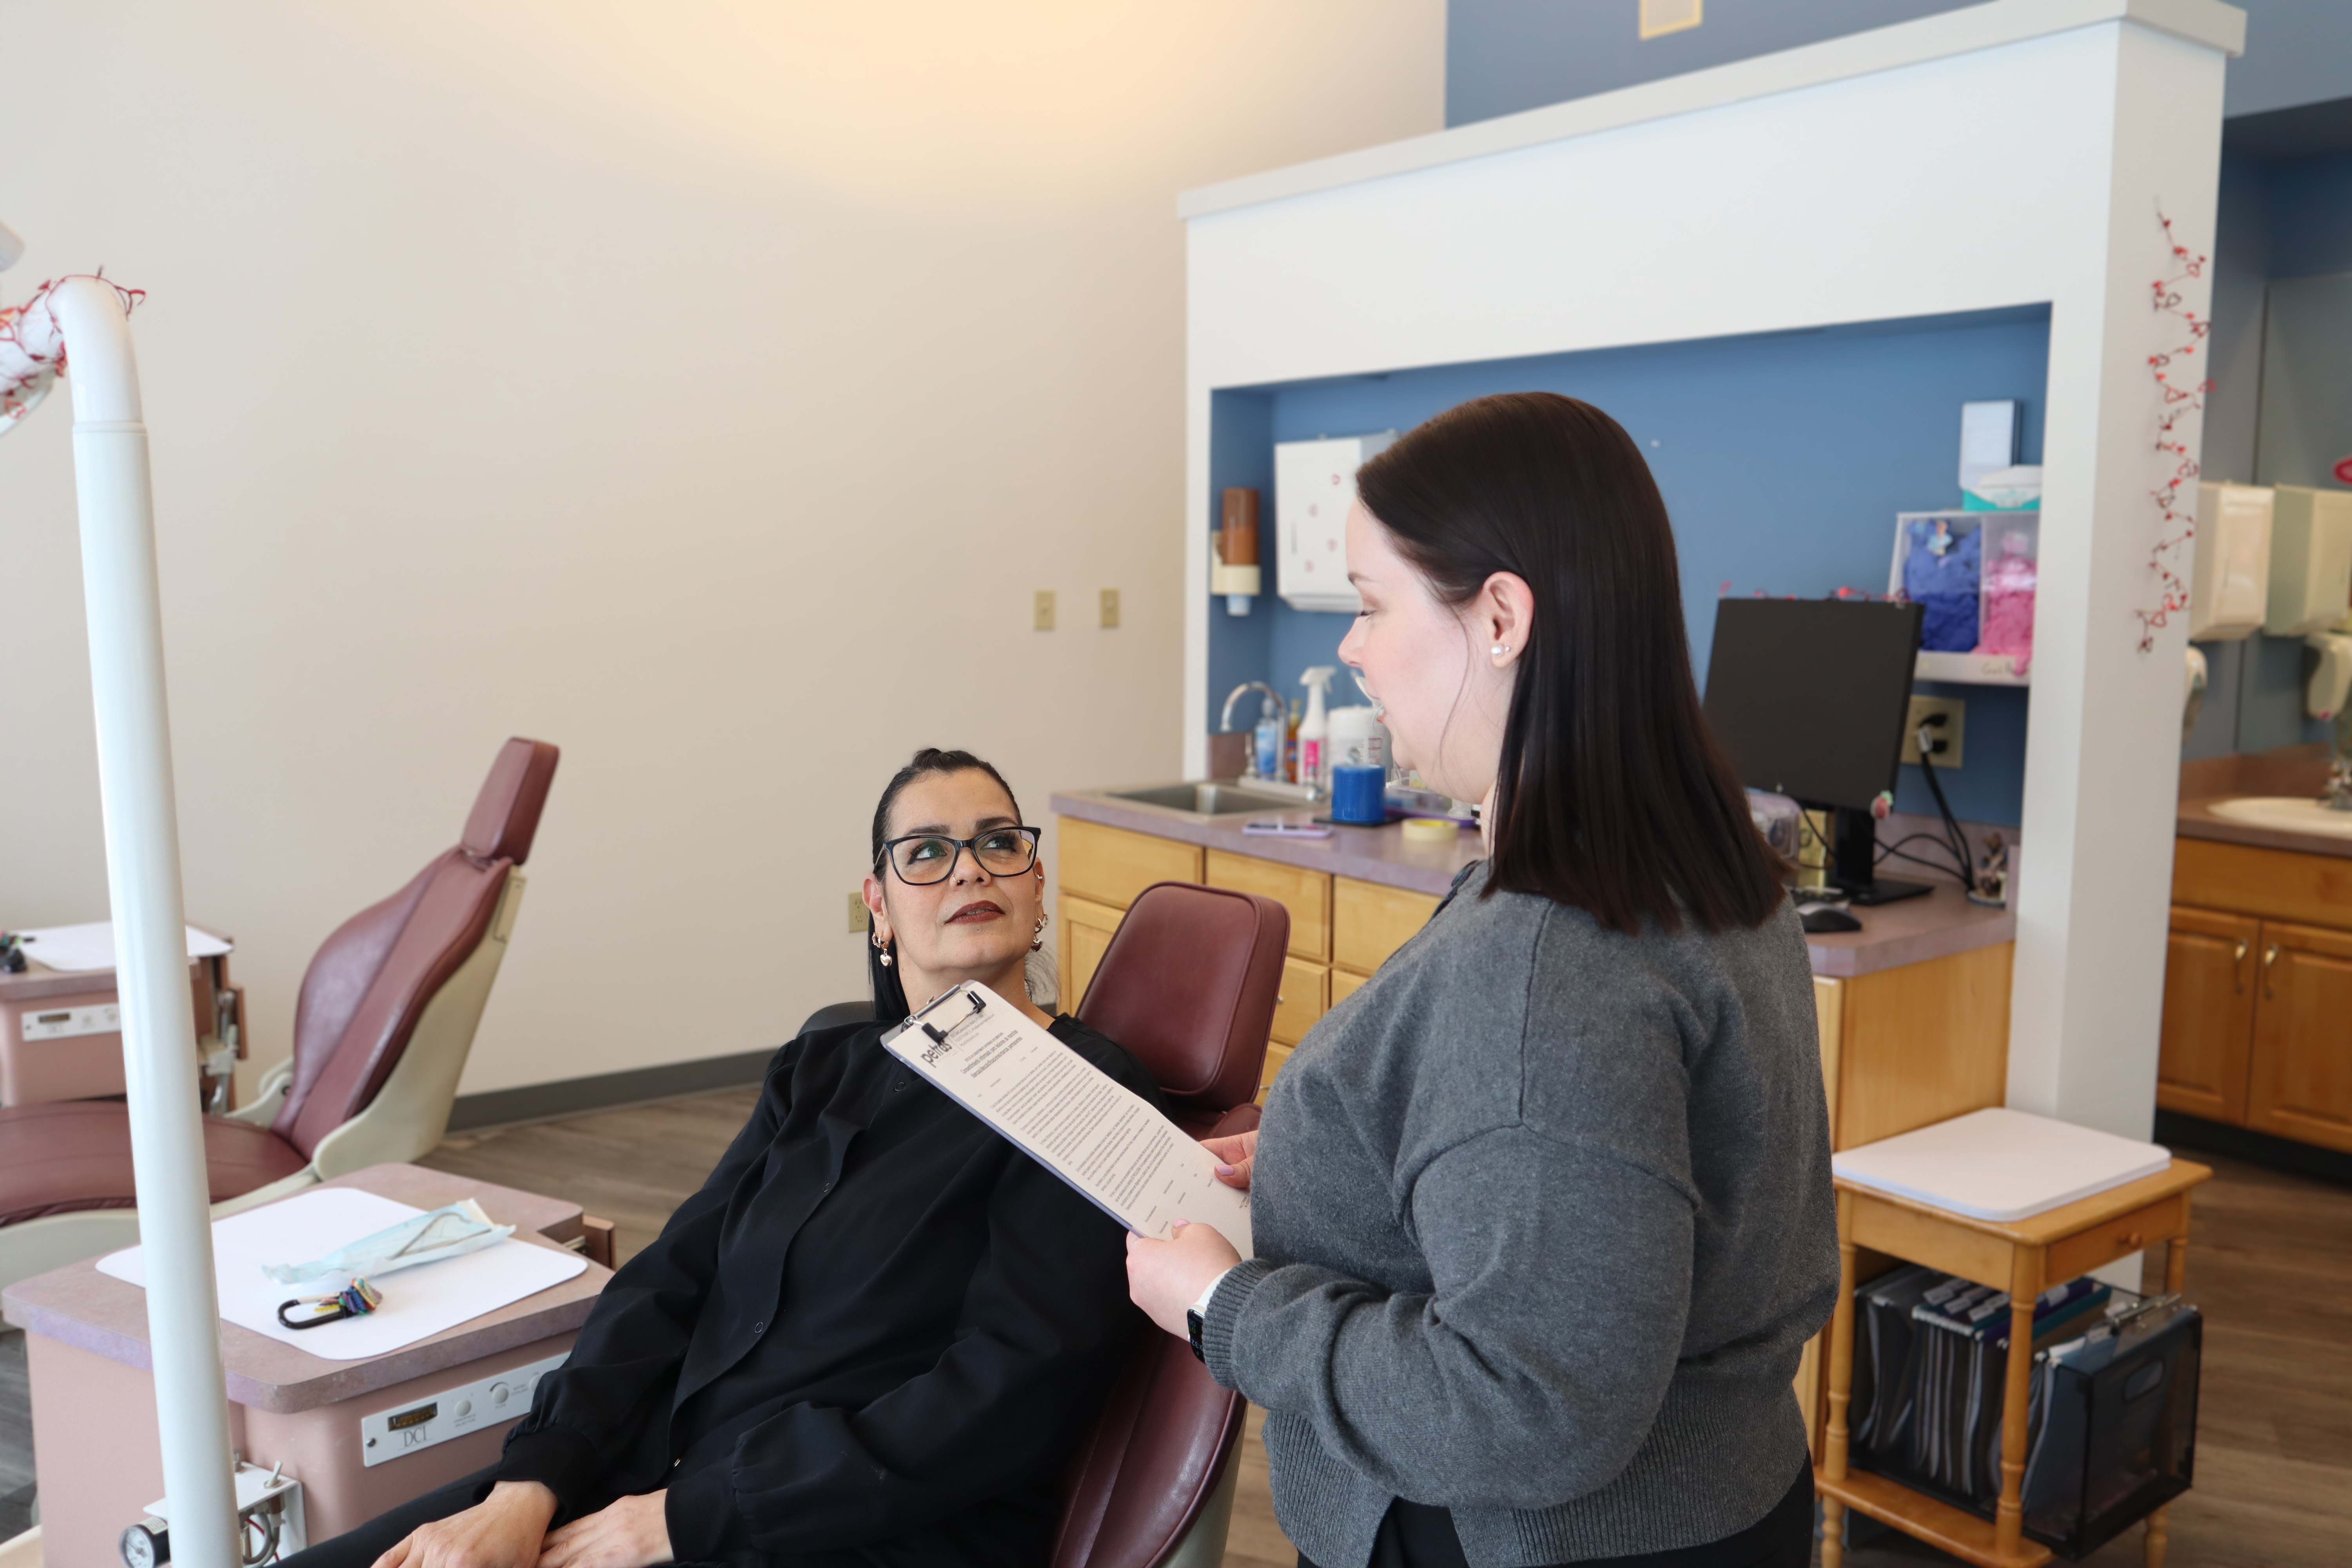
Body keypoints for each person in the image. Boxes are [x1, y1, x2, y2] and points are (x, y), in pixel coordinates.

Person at [1126, 393, 1839, 1568]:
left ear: (1501, 615)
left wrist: (1226, 1307)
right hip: (1727, 1501)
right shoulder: (1704, 870)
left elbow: (1524, 1403)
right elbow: (1578, 1178)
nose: (1350, 650)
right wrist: (1326, 1162)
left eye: (1369, 604)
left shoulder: (1550, 966)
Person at [284, 748, 1158, 1568]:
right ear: (879, 906)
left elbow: (1005, 1391)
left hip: (843, 1522)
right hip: (656, 1473)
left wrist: (675, 1519)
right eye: (926, 851)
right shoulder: (824, 1063)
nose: (969, 868)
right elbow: (671, 1276)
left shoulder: (1082, 1090)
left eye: (999, 844)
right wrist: (531, 1482)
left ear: (1037, 886)